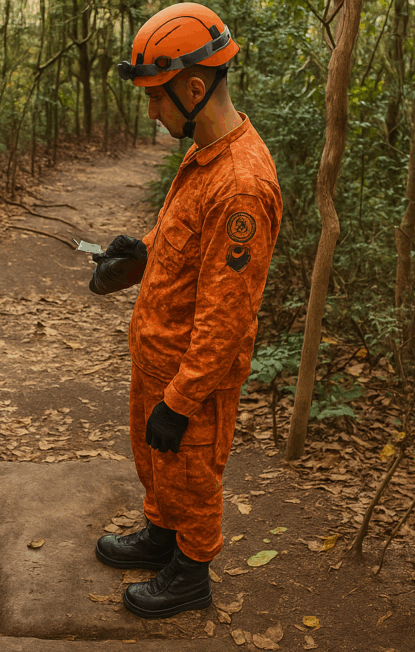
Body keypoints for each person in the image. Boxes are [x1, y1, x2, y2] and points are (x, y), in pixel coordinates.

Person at [89, 3, 283, 619]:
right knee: (156, 463)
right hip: (158, 356)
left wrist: (181, 398)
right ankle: (161, 535)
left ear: (194, 88)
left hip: (190, 378)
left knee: (191, 471)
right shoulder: (204, 154)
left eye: (156, 97)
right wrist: (139, 255)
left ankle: (191, 570)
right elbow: (186, 250)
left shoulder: (243, 184)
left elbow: (227, 315)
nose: (151, 111)